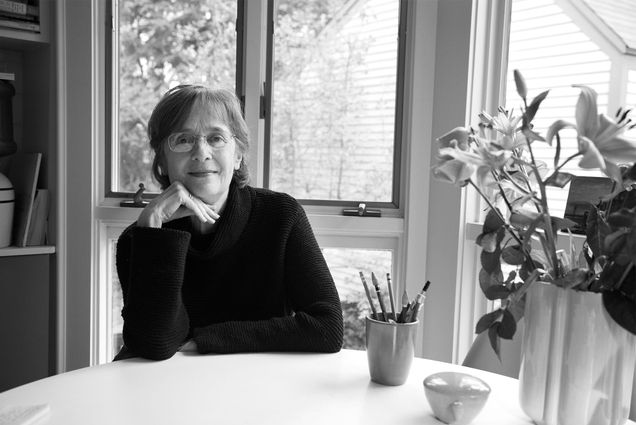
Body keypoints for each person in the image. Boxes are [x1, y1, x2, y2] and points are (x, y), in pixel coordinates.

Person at [114, 85, 344, 360]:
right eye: (183, 139)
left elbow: (327, 328)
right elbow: (153, 345)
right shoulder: (142, 236)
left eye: (216, 138)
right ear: (162, 160)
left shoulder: (281, 216)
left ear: (238, 155)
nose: (201, 152)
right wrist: (153, 229)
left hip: (254, 385)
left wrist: (208, 341)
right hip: (166, 387)